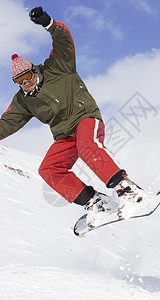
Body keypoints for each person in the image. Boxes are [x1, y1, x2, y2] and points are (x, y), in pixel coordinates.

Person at [0, 7, 145, 227]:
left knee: (88, 146)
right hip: (65, 135)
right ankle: (95, 202)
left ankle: (128, 189)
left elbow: (63, 41)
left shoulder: (59, 66)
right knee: (48, 168)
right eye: (19, 81)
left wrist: (49, 24)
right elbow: (7, 123)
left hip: (85, 118)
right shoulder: (23, 101)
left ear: (33, 70)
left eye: (27, 76)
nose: (25, 83)